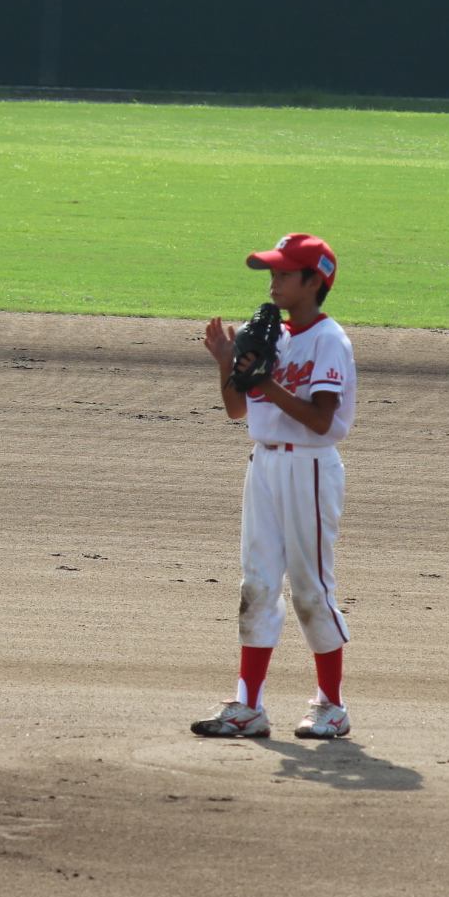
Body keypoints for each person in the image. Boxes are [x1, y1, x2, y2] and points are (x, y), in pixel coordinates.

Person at [193, 234, 357, 740]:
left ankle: (332, 706)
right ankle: (248, 706)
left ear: (314, 281)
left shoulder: (328, 340)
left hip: (310, 468)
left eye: (285, 273)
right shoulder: (272, 335)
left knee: (310, 589)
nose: (274, 281)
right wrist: (227, 362)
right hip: (263, 466)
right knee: (257, 584)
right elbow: (237, 410)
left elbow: (322, 420)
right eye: (273, 272)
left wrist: (265, 382)